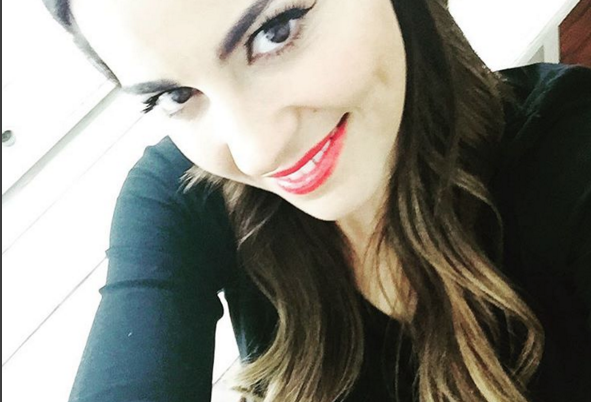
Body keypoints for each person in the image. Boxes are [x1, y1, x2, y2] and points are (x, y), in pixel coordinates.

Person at [42, 0, 590, 401]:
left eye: (275, 30)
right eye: (177, 95)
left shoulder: (570, 150)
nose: (255, 153)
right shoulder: (187, 193)